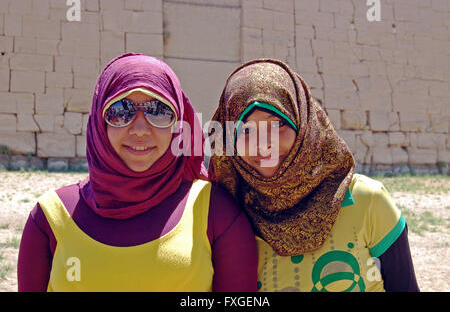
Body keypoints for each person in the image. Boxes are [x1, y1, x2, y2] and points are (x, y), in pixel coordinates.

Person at [17, 53, 257, 292]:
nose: (140, 129)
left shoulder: (214, 213)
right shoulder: (51, 217)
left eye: (159, 110)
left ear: (179, 123)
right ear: (99, 122)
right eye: (121, 110)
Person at [208, 58, 419, 292]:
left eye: (277, 124)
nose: (263, 145)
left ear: (304, 124)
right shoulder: (226, 217)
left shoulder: (366, 202)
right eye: (246, 130)